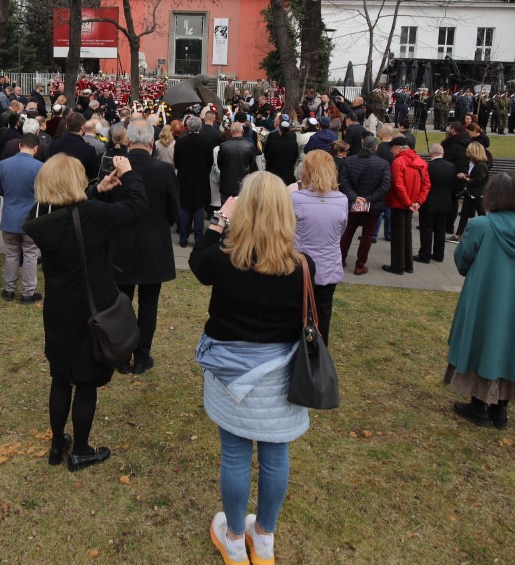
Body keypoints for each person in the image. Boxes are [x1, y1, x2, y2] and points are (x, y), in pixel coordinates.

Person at [189, 172, 311, 565]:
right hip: (277, 375)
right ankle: (261, 537)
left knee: (237, 455)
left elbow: (197, 262)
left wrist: (219, 220)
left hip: (232, 372)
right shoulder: (299, 266)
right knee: (275, 457)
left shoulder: (226, 259)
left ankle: (238, 536)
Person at [23, 153, 146, 472]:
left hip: (59, 310)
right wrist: (129, 174)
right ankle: (80, 449)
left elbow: (70, 215)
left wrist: (97, 190)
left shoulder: (42, 217)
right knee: (86, 382)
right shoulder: (91, 215)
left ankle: (55, 445)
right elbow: (136, 208)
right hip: (92, 312)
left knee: (61, 377)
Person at [446, 171, 515, 429]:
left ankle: (479, 405)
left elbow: (462, 260)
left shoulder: (482, 225)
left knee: (482, 343)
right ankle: (501, 409)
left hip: (485, 299)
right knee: (513, 346)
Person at [110, 120, 179, 375]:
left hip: (121, 245)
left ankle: (122, 356)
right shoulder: (163, 170)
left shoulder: (115, 168)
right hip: (152, 245)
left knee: (121, 303)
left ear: (128, 141)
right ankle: (141, 356)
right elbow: (173, 211)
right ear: (151, 143)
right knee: (148, 305)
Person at [291, 151, 348, 344]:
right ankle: (319, 351)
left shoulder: (296, 199)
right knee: (323, 314)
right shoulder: (341, 200)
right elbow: (340, 231)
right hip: (327, 266)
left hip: (300, 267)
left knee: (297, 313)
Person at [0, 133, 44, 303]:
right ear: (36, 149)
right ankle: (28, 292)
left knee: (11, 254)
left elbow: (0, 190)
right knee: (30, 254)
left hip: (10, 216)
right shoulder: (40, 166)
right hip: (30, 218)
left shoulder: (3, 164)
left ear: (19, 146)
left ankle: (9, 289)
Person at [384, 136, 428, 275]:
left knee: (398, 235)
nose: (391, 151)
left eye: (392, 148)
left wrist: (409, 202)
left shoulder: (398, 162)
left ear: (398, 147)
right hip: (412, 204)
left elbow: (398, 185)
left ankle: (397, 266)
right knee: (407, 233)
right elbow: (426, 185)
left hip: (400, 204)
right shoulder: (420, 162)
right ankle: (408, 264)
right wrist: (417, 202)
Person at [175, 115, 213, 247]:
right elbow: (210, 162)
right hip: (200, 179)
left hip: (184, 178)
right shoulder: (206, 143)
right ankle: (198, 238)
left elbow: (177, 162)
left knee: (185, 209)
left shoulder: (180, 142)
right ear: (200, 127)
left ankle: (183, 239)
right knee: (198, 210)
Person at [415, 143, 457, 264]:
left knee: (426, 229)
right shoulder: (451, 166)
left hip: (429, 202)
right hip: (445, 202)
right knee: (440, 229)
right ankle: (439, 254)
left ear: (430, 153)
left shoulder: (427, 167)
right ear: (442, 153)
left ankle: (425, 255)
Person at [449, 141, 490, 241]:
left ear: (474, 151)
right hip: (471, 193)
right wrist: (466, 175)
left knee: (482, 214)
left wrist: (465, 178)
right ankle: (458, 235)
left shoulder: (481, 165)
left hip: (477, 194)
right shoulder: (472, 162)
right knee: (464, 214)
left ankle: (489, 234)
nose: (466, 150)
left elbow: (478, 181)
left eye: (468, 149)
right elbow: (474, 176)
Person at [218, 123, 257, 202]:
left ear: (231, 131)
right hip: (243, 184)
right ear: (242, 131)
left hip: (227, 184)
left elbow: (220, 165)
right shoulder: (249, 146)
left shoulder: (224, 146)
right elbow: (252, 165)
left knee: (226, 211)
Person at [263, 116, 299, 185]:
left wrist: (268, 166)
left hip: (274, 170)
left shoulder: (273, 136)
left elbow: (267, 153)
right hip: (288, 170)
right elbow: (295, 154)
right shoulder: (293, 136)